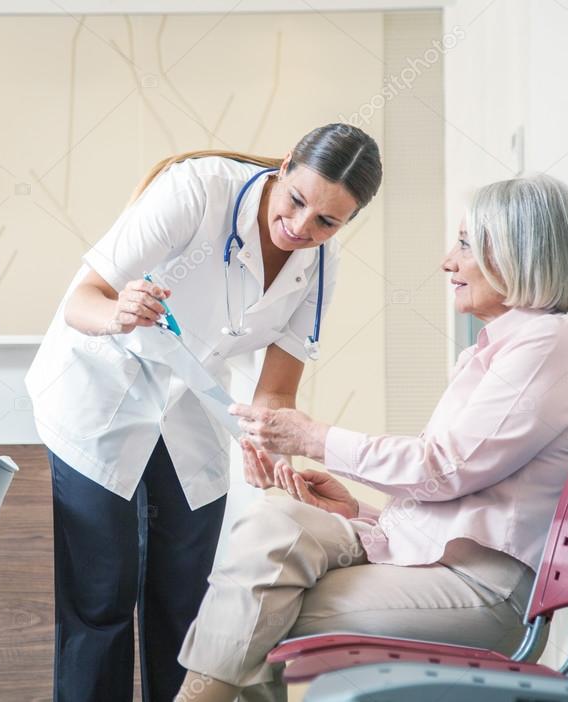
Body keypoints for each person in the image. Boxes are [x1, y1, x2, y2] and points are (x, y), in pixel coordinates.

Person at [174, 174, 568, 702]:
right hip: (444, 565)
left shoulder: (547, 344)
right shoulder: (512, 347)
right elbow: (459, 490)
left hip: (484, 594)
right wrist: (357, 510)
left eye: (466, 244)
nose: (449, 261)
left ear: (520, 251)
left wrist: (314, 437)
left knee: (254, 605)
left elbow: (441, 467)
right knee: (274, 522)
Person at [26, 125, 383, 700]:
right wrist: (120, 311)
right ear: (285, 164)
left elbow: (276, 394)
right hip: (101, 392)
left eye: (327, 222)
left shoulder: (318, 265)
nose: (300, 228)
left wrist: (272, 456)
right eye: (297, 200)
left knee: (186, 600)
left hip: (192, 410)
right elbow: (82, 300)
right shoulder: (198, 188)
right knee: (101, 598)